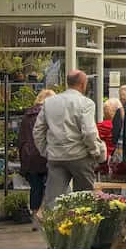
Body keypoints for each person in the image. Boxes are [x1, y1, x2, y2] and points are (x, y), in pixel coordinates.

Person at [34, 70, 106, 209]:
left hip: (56, 156)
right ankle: (83, 229)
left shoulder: (49, 102)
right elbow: (89, 132)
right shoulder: (86, 103)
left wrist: (45, 151)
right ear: (83, 84)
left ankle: (57, 229)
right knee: (84, 200)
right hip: (80, 155)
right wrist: (95, 152)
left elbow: (38, 130)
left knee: (54, 201)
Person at [18, 89, 54, 217]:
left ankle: (34, 215)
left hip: (29, 156)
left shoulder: (27, 115)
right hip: (44, 154)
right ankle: (44, 214)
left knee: (35, 187)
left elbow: (21, 138)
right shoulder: (49, 114)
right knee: (50, 186)